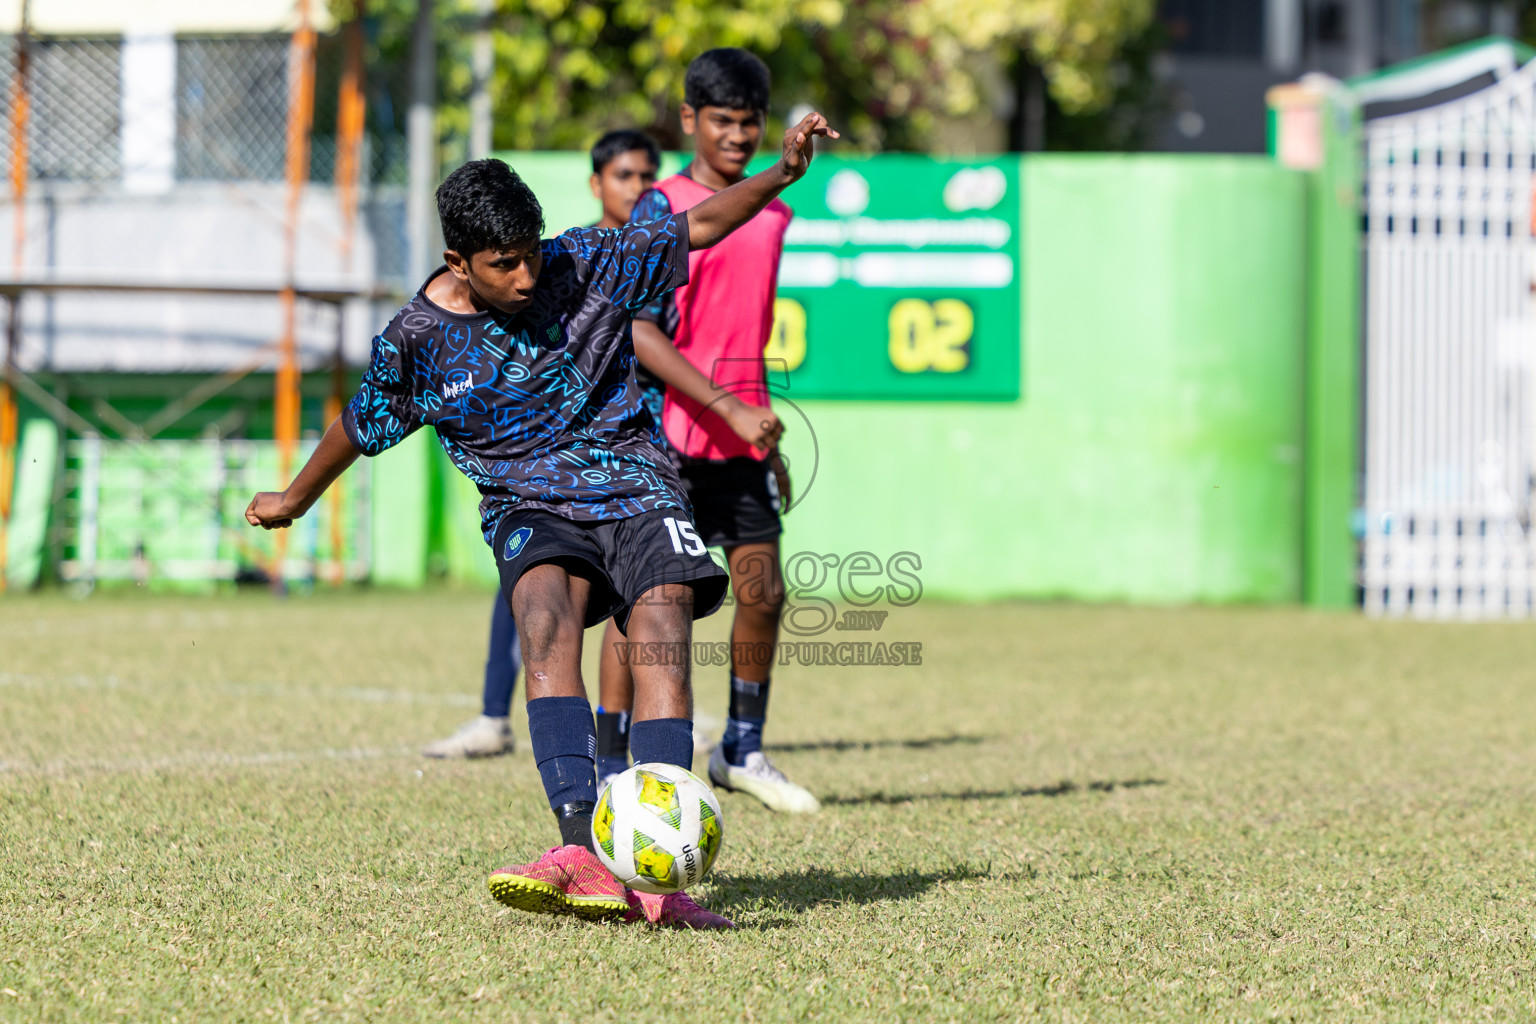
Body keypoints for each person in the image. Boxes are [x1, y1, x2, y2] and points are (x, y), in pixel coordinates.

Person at [245, 110, 837, 930]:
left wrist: (779, 174)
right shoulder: (417, 342)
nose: (527, 276)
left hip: (633, 482)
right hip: (528, 501)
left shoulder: (583, 262)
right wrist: (297, 497)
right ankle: (580, 852)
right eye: (504, 264)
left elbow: (696, 224)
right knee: (544, 618)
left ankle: (660, 880)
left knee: (660, 623)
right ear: (458, 260)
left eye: (531, 253)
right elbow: (361, 423)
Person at [595, 48, 818, 813]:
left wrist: (761, 429)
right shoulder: (661, 209)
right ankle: (610, 761)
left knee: (765, 592)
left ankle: (742, 749)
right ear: (691, 119)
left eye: (750, 122)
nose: (737, 135)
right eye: (722, 120)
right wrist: (722, 404)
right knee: (647, 608)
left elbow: (740, 335)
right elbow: (640, 333)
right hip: (664, 439)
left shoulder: (774, 209)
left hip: (739, 437)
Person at [421, 128, 662, 761]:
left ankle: (623, 750)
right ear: (597, 183)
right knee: (537, 587)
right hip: (541, 476)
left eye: (647, 176)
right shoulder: (560, 262)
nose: (637, 188)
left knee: (644, 603)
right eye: (624, 176)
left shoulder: (621, 258)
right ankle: (506, 720)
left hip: (628, 454)